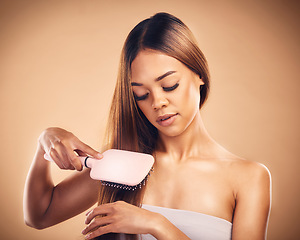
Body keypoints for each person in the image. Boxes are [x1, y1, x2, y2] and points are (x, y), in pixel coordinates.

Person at [23, 12, 271, 240]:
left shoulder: (248, 177)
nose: (158, 102)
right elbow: (39, 216)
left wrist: (157, 224)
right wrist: (45, 141)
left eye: (170, 85)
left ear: (200, 75)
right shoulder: (121, 165)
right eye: (141, 95)